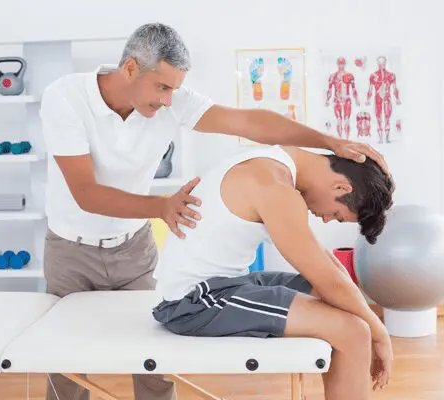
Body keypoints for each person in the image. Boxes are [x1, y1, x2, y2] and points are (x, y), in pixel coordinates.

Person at [39, 21, 391, 400]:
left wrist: (327, 140)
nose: (169, 99)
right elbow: (86, 193)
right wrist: (162, 206)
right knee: (68, 367)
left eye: (174, 88)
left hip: (133, 247)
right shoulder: (66, 97)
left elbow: (248, 120)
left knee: (154, 367)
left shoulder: (176, 105)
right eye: (162, 87)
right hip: (71, 249)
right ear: (129, 69)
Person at [152, 144, 395, 400]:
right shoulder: (274, 186)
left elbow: (327, 265)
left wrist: (373, 326)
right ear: (341, 187)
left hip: (228, 284)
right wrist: (380, 335)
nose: (325, 219)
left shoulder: (275, 164)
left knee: (344, 306)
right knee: (353, 331)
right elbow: (327, 278)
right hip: (194, 302)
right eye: (336, 214)